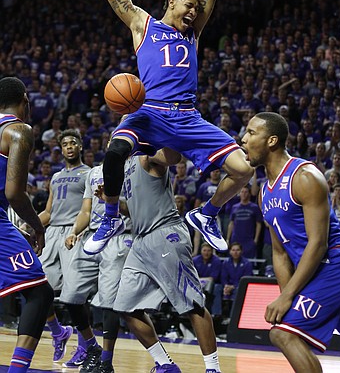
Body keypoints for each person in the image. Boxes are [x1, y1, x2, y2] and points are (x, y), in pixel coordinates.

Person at [85, 0, 253, 256]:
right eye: (188, 5)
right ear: (171, 2)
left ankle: (207, 215)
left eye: (195, 7)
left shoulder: (194, 31)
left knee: (242, 169)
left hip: (187, 116)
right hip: (148, 111)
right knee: (115, 153)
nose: (193, 11)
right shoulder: (142, 24)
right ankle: (111, 216)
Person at [90, 148, 222, 373]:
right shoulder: (126, 166)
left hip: (165, 235)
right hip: (140, 241)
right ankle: (165, 364)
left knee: (192, 305)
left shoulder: (148, 154)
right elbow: (135, 211)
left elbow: (173, 157)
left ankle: (213, 369)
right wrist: (110, 200)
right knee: (125, 307)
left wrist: (160, 133)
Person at [241, 112, 340, 373]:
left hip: (335, 263)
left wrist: (289, 295)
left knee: (283, 334)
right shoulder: (264, 193)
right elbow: (279, 253)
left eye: (250, 133)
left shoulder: (304, 176)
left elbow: (318, 244)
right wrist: (285, 296)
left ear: (272, 141)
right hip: (318, 271)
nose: (243, 140)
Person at [0, 77, 54, 372]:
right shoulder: (18, 130)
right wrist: (38, 226)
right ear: (25, 100)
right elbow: (14, 194)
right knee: (40, 293)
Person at [60, 162, 134, 371]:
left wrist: (112, 200)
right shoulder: (94, 172)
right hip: (91, 235)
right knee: (70, 295)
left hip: (119, 237)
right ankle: (92, 346)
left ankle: (106, 362)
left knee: (108, 302)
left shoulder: (135, 170)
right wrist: (74, 230)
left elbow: (138, 210)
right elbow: (86, 209)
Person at [37, 129, 90, 362]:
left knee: (73, 295)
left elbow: (89, 210)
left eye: (73, 143)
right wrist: (28, 225)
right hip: (52, 234)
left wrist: (79, 231)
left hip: (74, 232)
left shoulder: (89, 174)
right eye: (65, 144)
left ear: (80, 147)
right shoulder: (56, 177)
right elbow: (48, 212)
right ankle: (58, 333)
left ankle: (86, 346)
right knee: (38, 289)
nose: (69, 146)